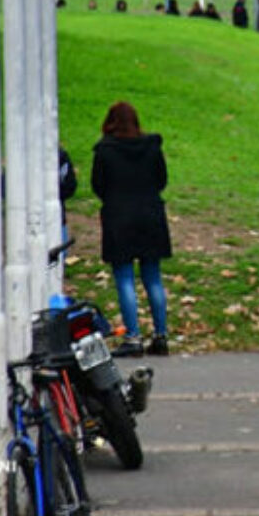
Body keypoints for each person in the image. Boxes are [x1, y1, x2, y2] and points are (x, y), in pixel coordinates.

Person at [91, 102, 172, 358]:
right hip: (150, 215)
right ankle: (161, 334)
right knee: (153, 277)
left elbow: (98, 185)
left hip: (119, 217)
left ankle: (133, 336)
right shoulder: (151, 147)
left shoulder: (105, 150)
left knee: (125, 278)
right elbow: (162, 179)